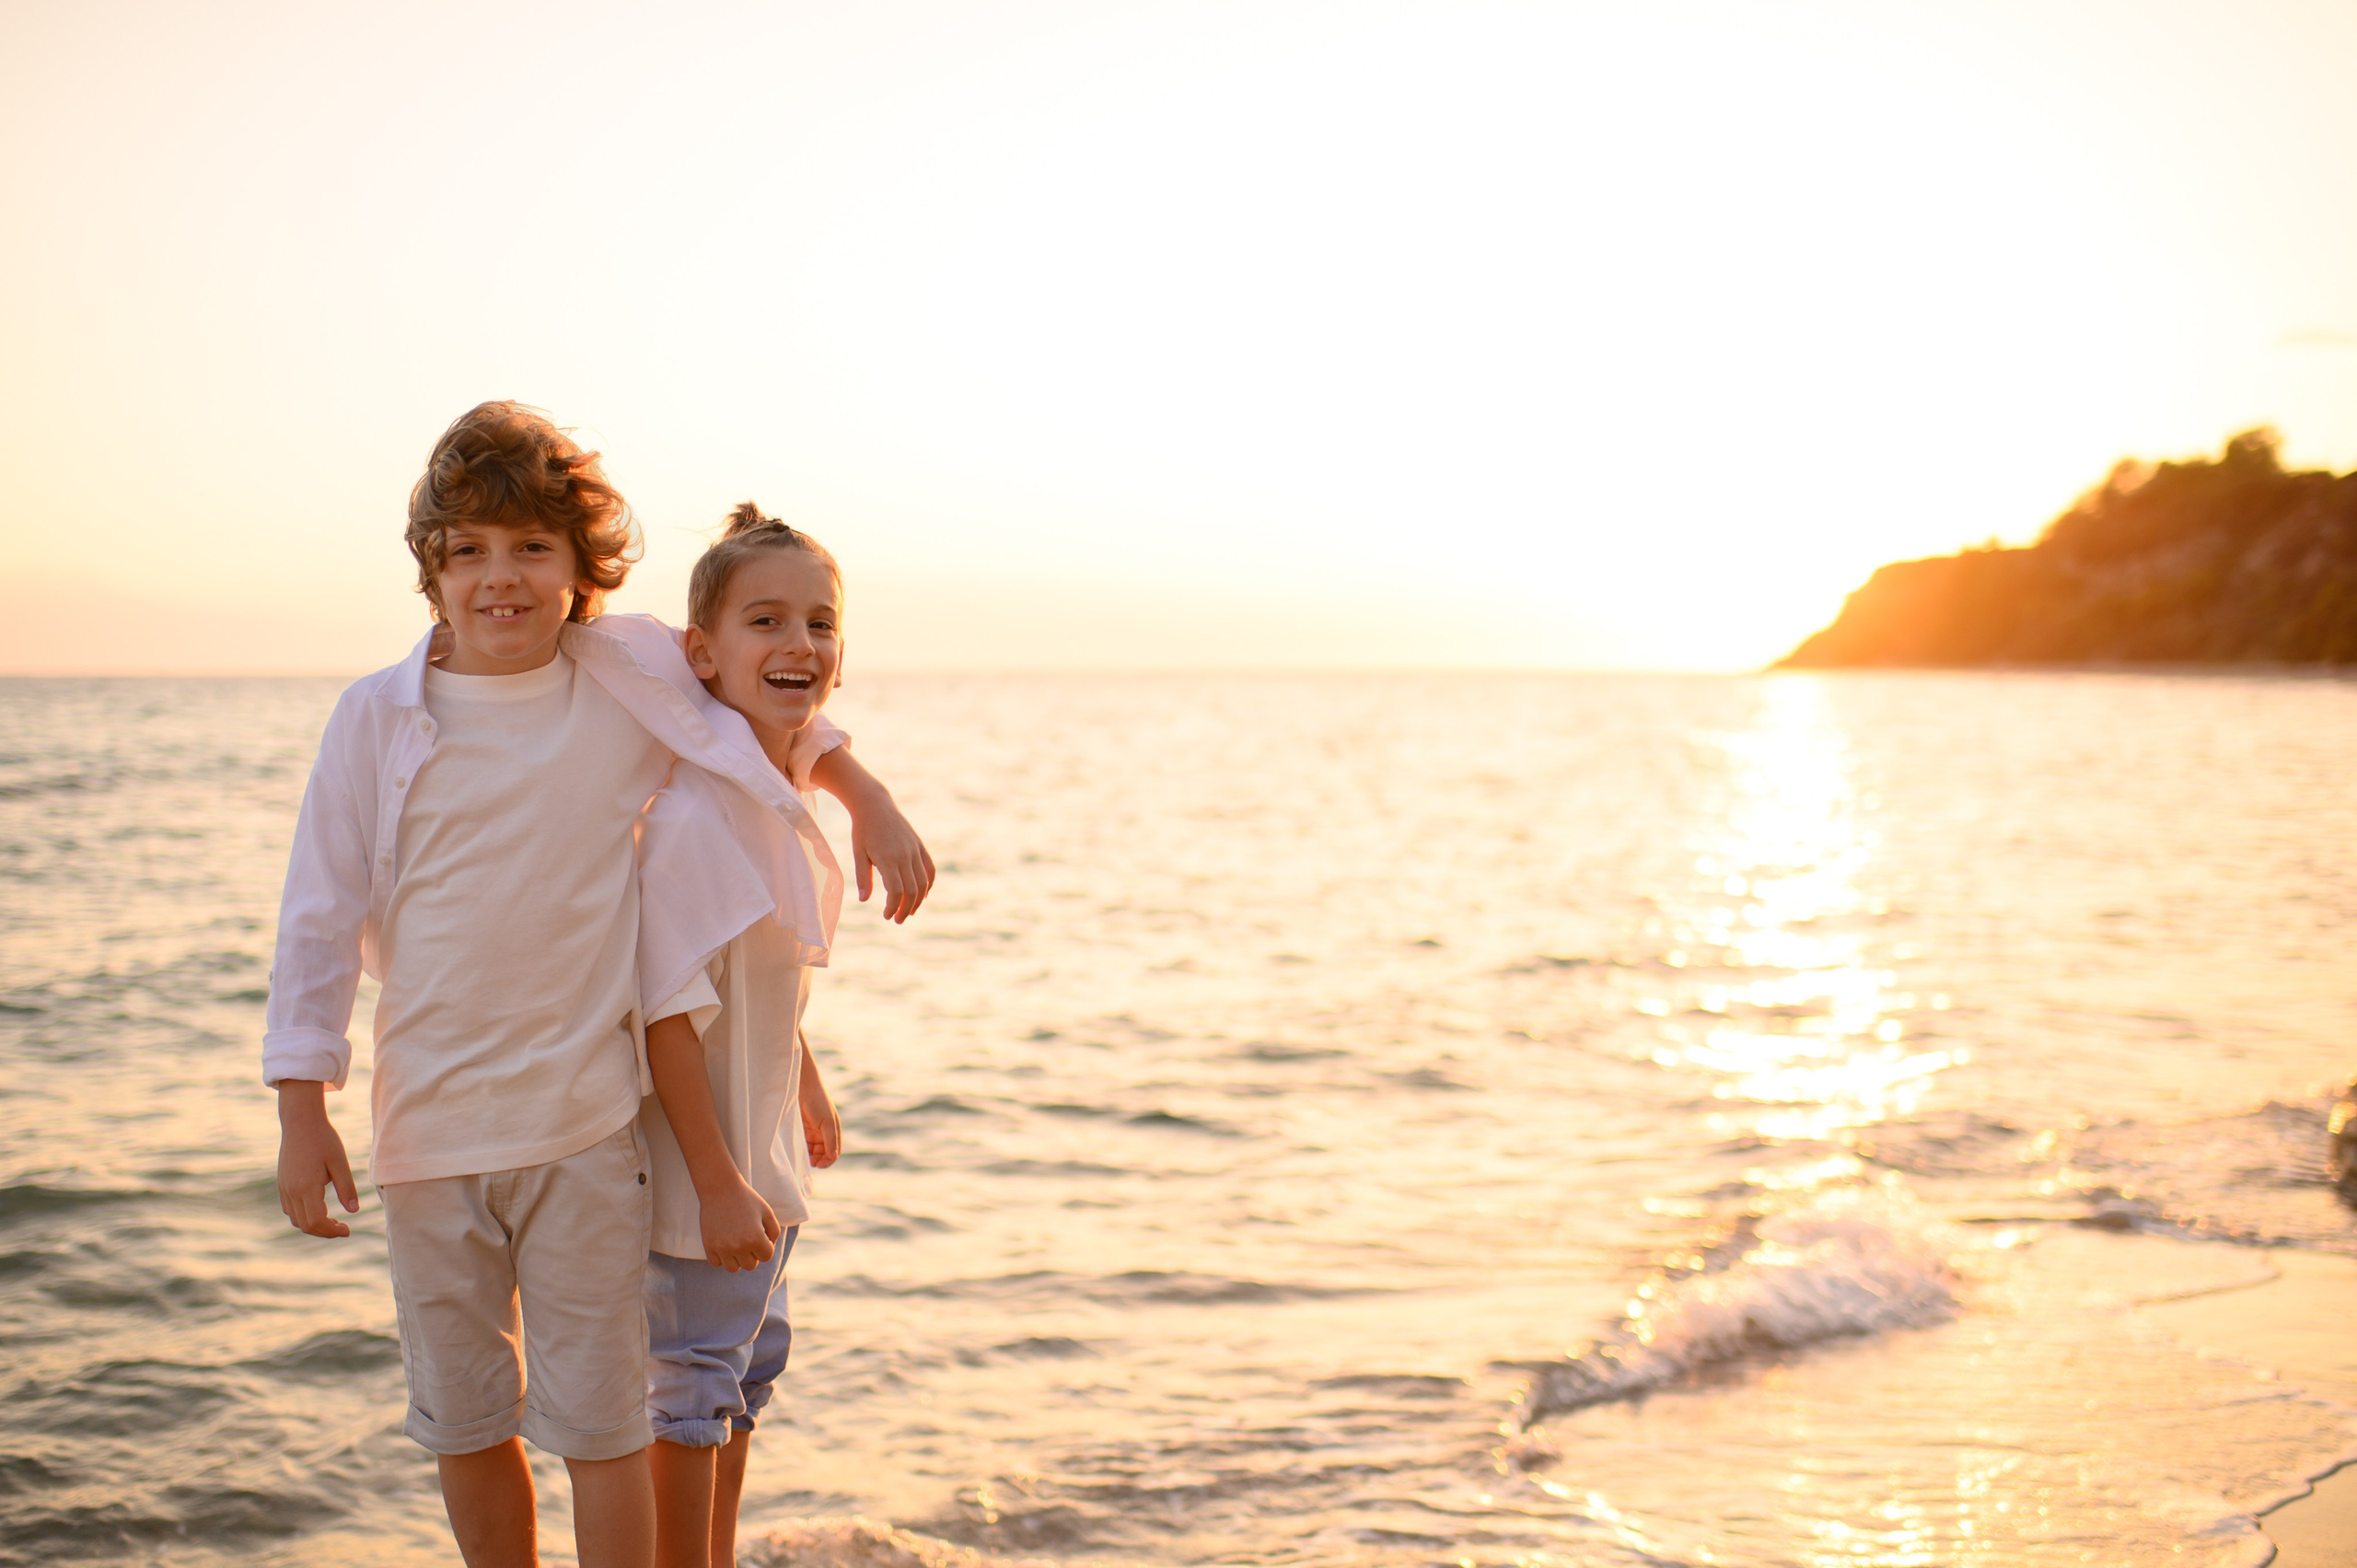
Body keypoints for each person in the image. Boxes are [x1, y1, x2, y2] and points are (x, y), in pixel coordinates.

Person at [264, 404, 931, 1568]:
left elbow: (759, 693)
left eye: (532, 547)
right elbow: (317, 910)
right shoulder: (376, 714)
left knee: (604, 1422)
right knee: (465, 1418)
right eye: (467, 550)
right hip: (426, 1129)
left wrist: (860, 786)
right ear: (431, 574)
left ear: (584, 571)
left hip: (585, 1127)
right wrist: (301, 1104)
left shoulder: (618, 670)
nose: (501, 577)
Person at [631, 505, 865, 1568]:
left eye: (817, 623)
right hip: (698, 1181)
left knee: (742, 1380)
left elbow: (755, 970)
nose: (797, 645)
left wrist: (803, 1079)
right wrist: (719, 1177)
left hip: (761, 1157)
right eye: (764, 620)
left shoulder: (768, 796)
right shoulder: (693, 816)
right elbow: (668, 1013)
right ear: (703, 653)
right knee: (687, 1394)